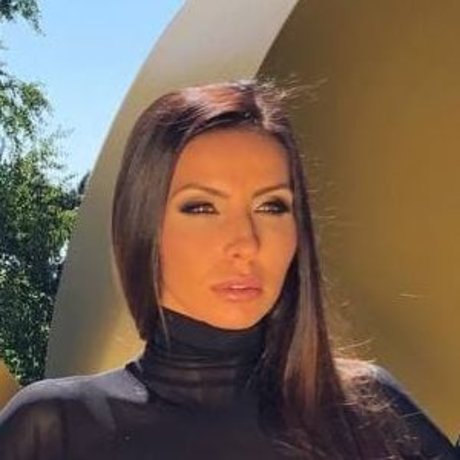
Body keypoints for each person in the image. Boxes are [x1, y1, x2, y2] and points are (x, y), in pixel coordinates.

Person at [0, 80, 457, 459]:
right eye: (202, 207)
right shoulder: (54, 429)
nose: (246, 243)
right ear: (142, 225)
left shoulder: (371, 411)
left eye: (271, 206)